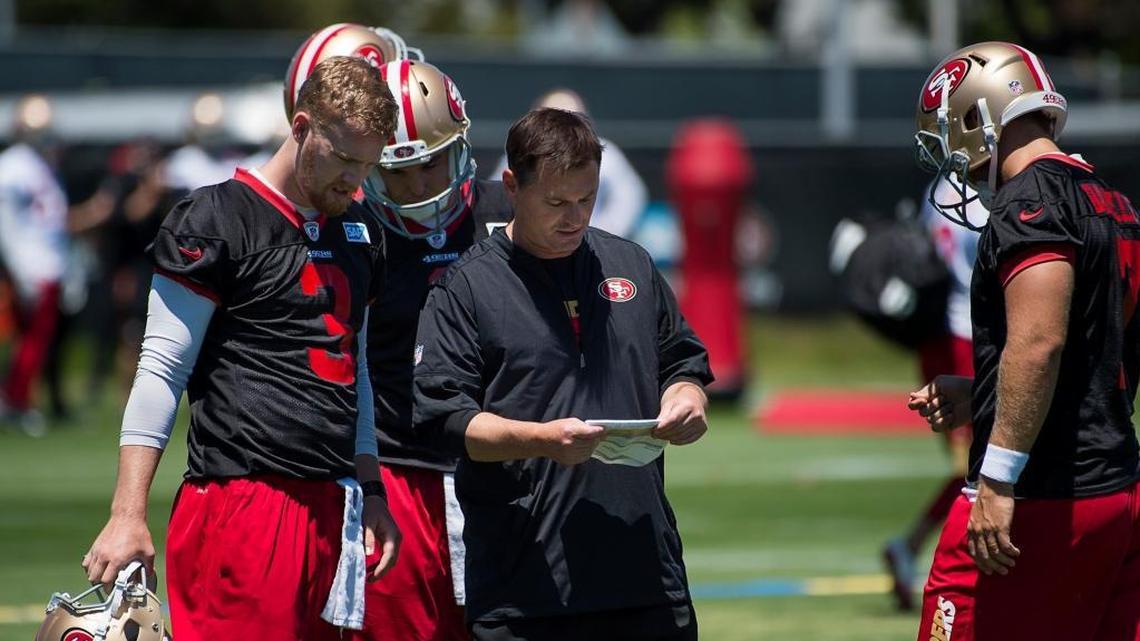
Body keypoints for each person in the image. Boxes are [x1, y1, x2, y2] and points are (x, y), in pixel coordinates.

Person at [81, 56, 402, 641]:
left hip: (336, 502)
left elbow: (355, 371)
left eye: (368, 165)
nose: (355, 181)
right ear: (302, 127)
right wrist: (127, 513)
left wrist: (372, 486)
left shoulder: (360, 229)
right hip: (244, 500)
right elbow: (160, 370)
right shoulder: (217, 218)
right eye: (345, 160)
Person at [413, 108, 712, 641]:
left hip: (647, 578)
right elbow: (446, 420)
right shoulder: (464, 287)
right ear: (511, 186)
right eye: (555, 202)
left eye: (586, 199)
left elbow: (682, 360)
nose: (574, 217)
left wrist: (687, 398)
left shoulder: (632, 266)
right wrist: (542, 441)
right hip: (525, 591)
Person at [908, 42, 1140, 640]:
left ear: (976, 116)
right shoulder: (1110, 201)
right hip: (1116, 487)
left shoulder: (1031, 203)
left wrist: (997, 478)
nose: (953, 160)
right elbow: (1094, 351)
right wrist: (984, 391)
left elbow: (1039, 343)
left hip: (1044, 495)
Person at [351, 59, 512, 641]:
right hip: (399, 472)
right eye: (401, 172)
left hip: (508, 464)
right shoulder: (353, 234)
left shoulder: (510, 216)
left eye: (431, 163)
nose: (419, 186)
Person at [882, 176, 987, 611]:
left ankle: (913, 545)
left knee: (975, 465)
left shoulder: (936, 188)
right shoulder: (991, 189)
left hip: (938, 339)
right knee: (978, 465)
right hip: (966, 336)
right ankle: (932, 554)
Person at [0, 94, 70, 436]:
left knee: (37, 341)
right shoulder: (13, 166)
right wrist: (17, 266)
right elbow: (6, 223)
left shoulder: (40, 164)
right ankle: (15, 401)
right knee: (28, 341)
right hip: (31, 263)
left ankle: (18, 399)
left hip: (48, 261)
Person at [490, 88, 647, 238]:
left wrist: (601, 233)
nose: (564, 126)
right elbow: (496, 197)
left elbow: (630, 197)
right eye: (556, 201)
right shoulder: (520, 156)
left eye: (585, 199)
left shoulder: (608, 155)